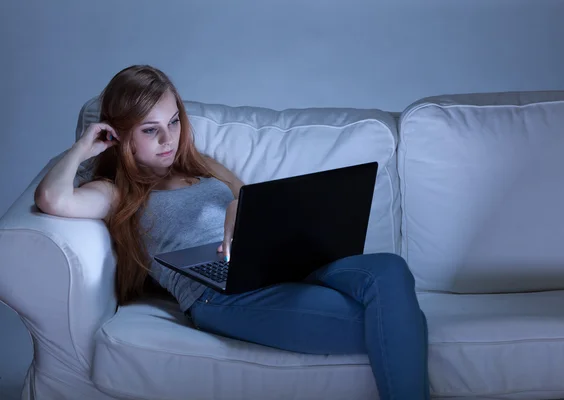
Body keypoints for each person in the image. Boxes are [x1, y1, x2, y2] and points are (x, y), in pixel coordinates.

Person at [34, 64, 430, 400]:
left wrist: (239, 208)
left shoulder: (202, 166)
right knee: (389, 320)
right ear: (119, 137)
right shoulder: (115, 192)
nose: (168, 139)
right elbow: (53, 199)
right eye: (150, 130)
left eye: (173, 122)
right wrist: (85, 146)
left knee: (390, 270)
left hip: (279, 262)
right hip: (218, 295)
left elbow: (250, 204)